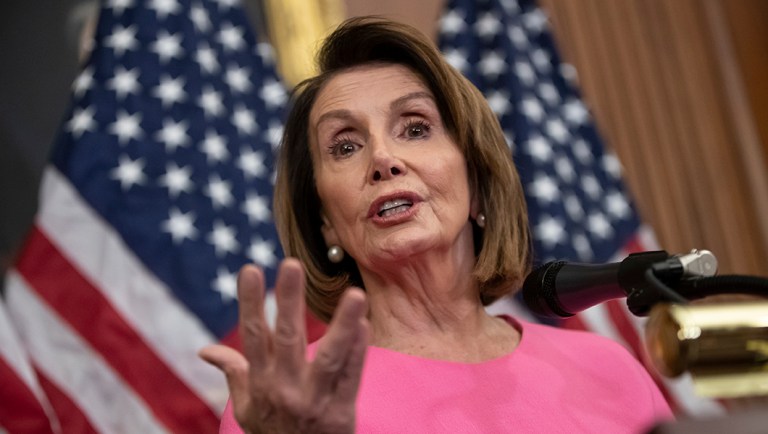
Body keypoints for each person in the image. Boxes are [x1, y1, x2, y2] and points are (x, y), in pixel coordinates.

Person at [200, 17, 674, 433]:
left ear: (478, 186)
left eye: (415, 128)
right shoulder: (290, 406)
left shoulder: (610, 370)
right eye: (345, 146)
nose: (383, 158)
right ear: (326, 224)